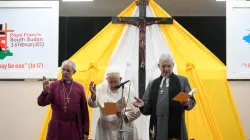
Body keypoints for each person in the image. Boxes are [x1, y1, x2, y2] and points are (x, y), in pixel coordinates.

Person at [132, 54, 196, 140]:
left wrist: (186, 103)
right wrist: (143, 105)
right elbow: (148, 106)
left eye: (169, 66)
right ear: (159, 66)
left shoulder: (182, 81)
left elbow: (192, 101)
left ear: (173, 65)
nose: (166, 69)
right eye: (163, 66)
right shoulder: (152, 84)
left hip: (176, 125)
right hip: (157, 126)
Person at [37, 60, 89, 140]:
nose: (64, 72)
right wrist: (44, 92)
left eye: (68, 70)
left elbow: (84, 111)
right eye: (63, 69)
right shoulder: (53, 86)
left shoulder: (79, 88)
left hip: (73, 128)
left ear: (74, 72)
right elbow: (42, 103)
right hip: (56, 127)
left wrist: (85, 132)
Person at [88, 68, 140, 140]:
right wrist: (93, 96)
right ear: (106, 79)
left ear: (120, 79)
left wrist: (124, 115)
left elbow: (137, 111)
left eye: (115, 82)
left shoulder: (130, 90)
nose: (113, 85)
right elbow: (92, 104)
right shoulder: (100, 88)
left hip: (125, 127)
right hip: (105, 129)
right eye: (110, 82)